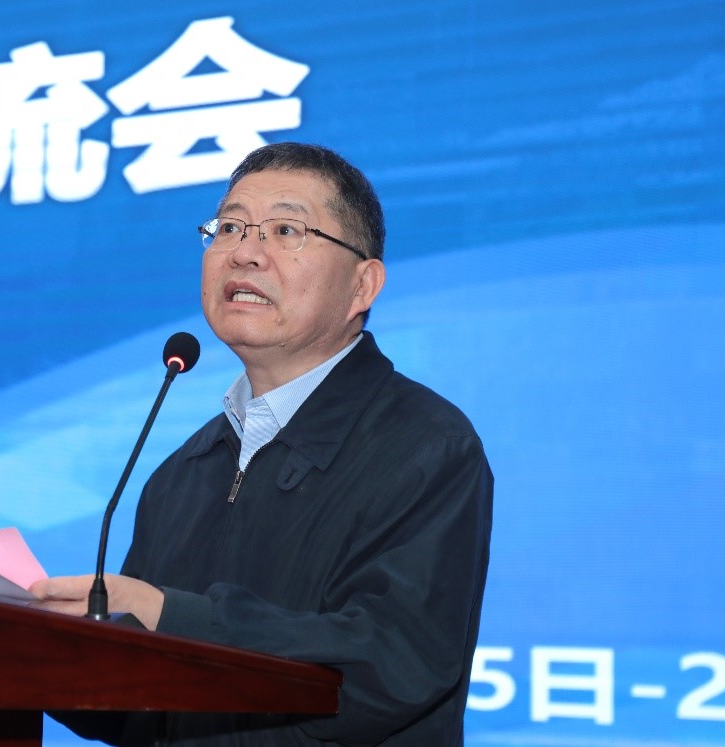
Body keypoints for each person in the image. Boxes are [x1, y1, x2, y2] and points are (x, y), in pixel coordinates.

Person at [31, 142, 494, 745]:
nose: (245, 253)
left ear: (363, 285)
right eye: (228, 228)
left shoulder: (428, 446)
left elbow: (393, 665)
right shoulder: (181, 472)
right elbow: (143, 707)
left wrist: (174, 617)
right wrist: (32, 651)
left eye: (286, 230)